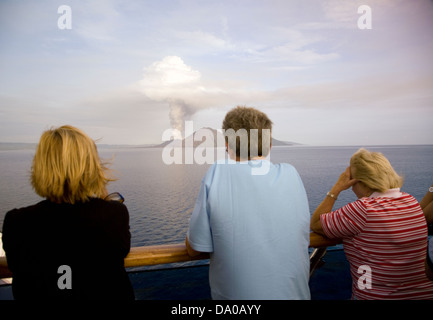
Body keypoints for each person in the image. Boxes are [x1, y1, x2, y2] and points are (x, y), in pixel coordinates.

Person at [185, 106, 311, 300]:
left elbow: (194, 248)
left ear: (227, 144)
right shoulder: (291, 173)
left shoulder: (219, 172)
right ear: (269, 145)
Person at [1, 125, 135, 300]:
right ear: (92, 167)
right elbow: (120, 249)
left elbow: (14, 263)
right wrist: (100, 186)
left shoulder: (17, 222)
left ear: (41, 166)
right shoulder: (114, 215)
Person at [310, 148, 433, 299]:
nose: (352, 188)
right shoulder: (410, 201)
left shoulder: (363, 209)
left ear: (361, 182)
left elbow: (316, 223)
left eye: (352, 183)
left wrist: (337, 188)